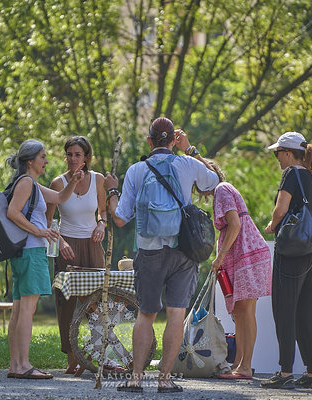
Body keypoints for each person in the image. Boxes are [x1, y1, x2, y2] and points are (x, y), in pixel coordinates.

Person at [104, 117, 219, 393]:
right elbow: (215, 182)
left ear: (149, 141)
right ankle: (165, 379)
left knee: (146, 314)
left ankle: (135, 379)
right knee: (176, 314)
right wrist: (190, 150)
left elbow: (119, 219)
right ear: (173, 140)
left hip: (150, 250)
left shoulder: (136, 170)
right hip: (183, 251)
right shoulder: (187, 163)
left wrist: (110, 190)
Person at [176, 132, 272, 380]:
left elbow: (235, 225)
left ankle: (246, 367)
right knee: (239, 312)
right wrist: (190, 150)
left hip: (247, 254)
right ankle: (239, 362)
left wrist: (221, 256)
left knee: (246, 310)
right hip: (242, 255)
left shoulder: (221, 190)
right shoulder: (222, 188)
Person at [5, 139, 84, 379]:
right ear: (30, 161)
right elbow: (12, 212)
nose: (47, 161)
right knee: (26, 310)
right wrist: (40, 231)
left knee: (19, 309)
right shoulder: (27, 183)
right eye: (43, 157)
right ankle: (23, 365)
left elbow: (60, 198)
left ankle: (16, 365)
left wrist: (73, 181)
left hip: (26, 252)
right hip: (31, 251)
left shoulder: (33, 184)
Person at [45, 136, 114, 376]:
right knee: (66, 304)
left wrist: (101, 225)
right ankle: (71, 354)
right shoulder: (57, 183)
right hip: (67, 246)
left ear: (86, 157)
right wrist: (61, 242)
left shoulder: (98, 180)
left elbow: (103, 211)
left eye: (78, 155)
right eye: (69, 154)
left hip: (92, 245)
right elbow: (49, 220)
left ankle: (96, 353)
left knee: (96, 302)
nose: (73, 159)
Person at [261, 132, 312, 390]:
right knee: (308, 311)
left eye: (278, 153)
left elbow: (281, 208)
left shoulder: (291, 174)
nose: (277, 158)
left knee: (284, 310)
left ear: (288, 153)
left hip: (291, 252)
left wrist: (272, 224)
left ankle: (285, 372)